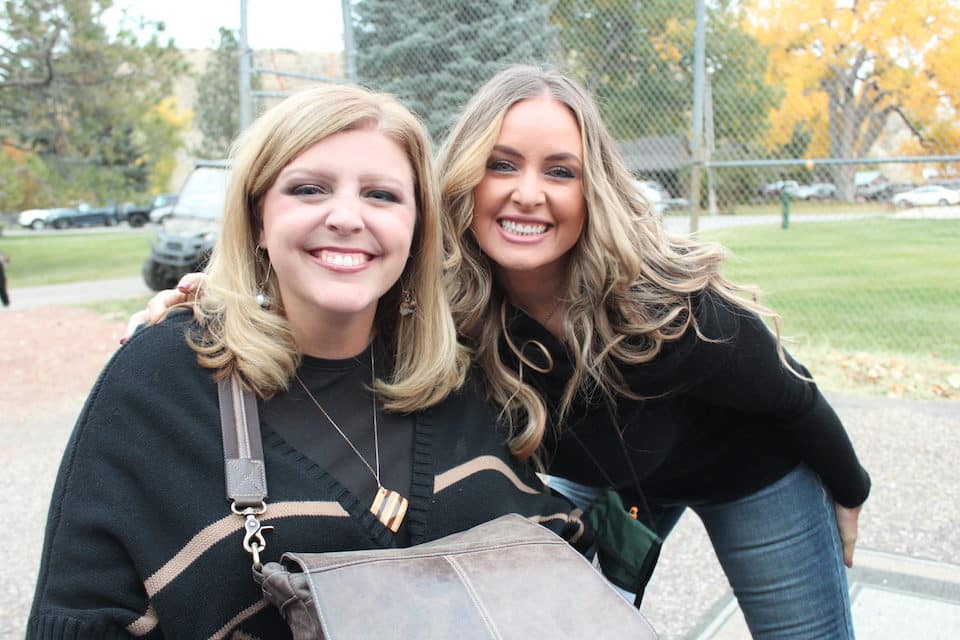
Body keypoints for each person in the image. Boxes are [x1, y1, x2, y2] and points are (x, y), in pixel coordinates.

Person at [126, 66, 870, 638]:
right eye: (503, 163)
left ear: (592, 188)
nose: (527, 194)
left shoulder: (667, 309)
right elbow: (327, 295)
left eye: (559, 170)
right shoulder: (442, 300)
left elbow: (794, 397)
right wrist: (216, 301)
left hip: (749, 477)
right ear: (466, 175)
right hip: (597, 481)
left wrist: (851, 492)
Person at [27, 84, 589, 639]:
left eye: (382, 195)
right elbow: (84, 616)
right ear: (257, 221)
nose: (347, 217)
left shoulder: (451, 374)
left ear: (418, 228)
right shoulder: (160, 383)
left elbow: (551, 550)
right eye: (309, 189)